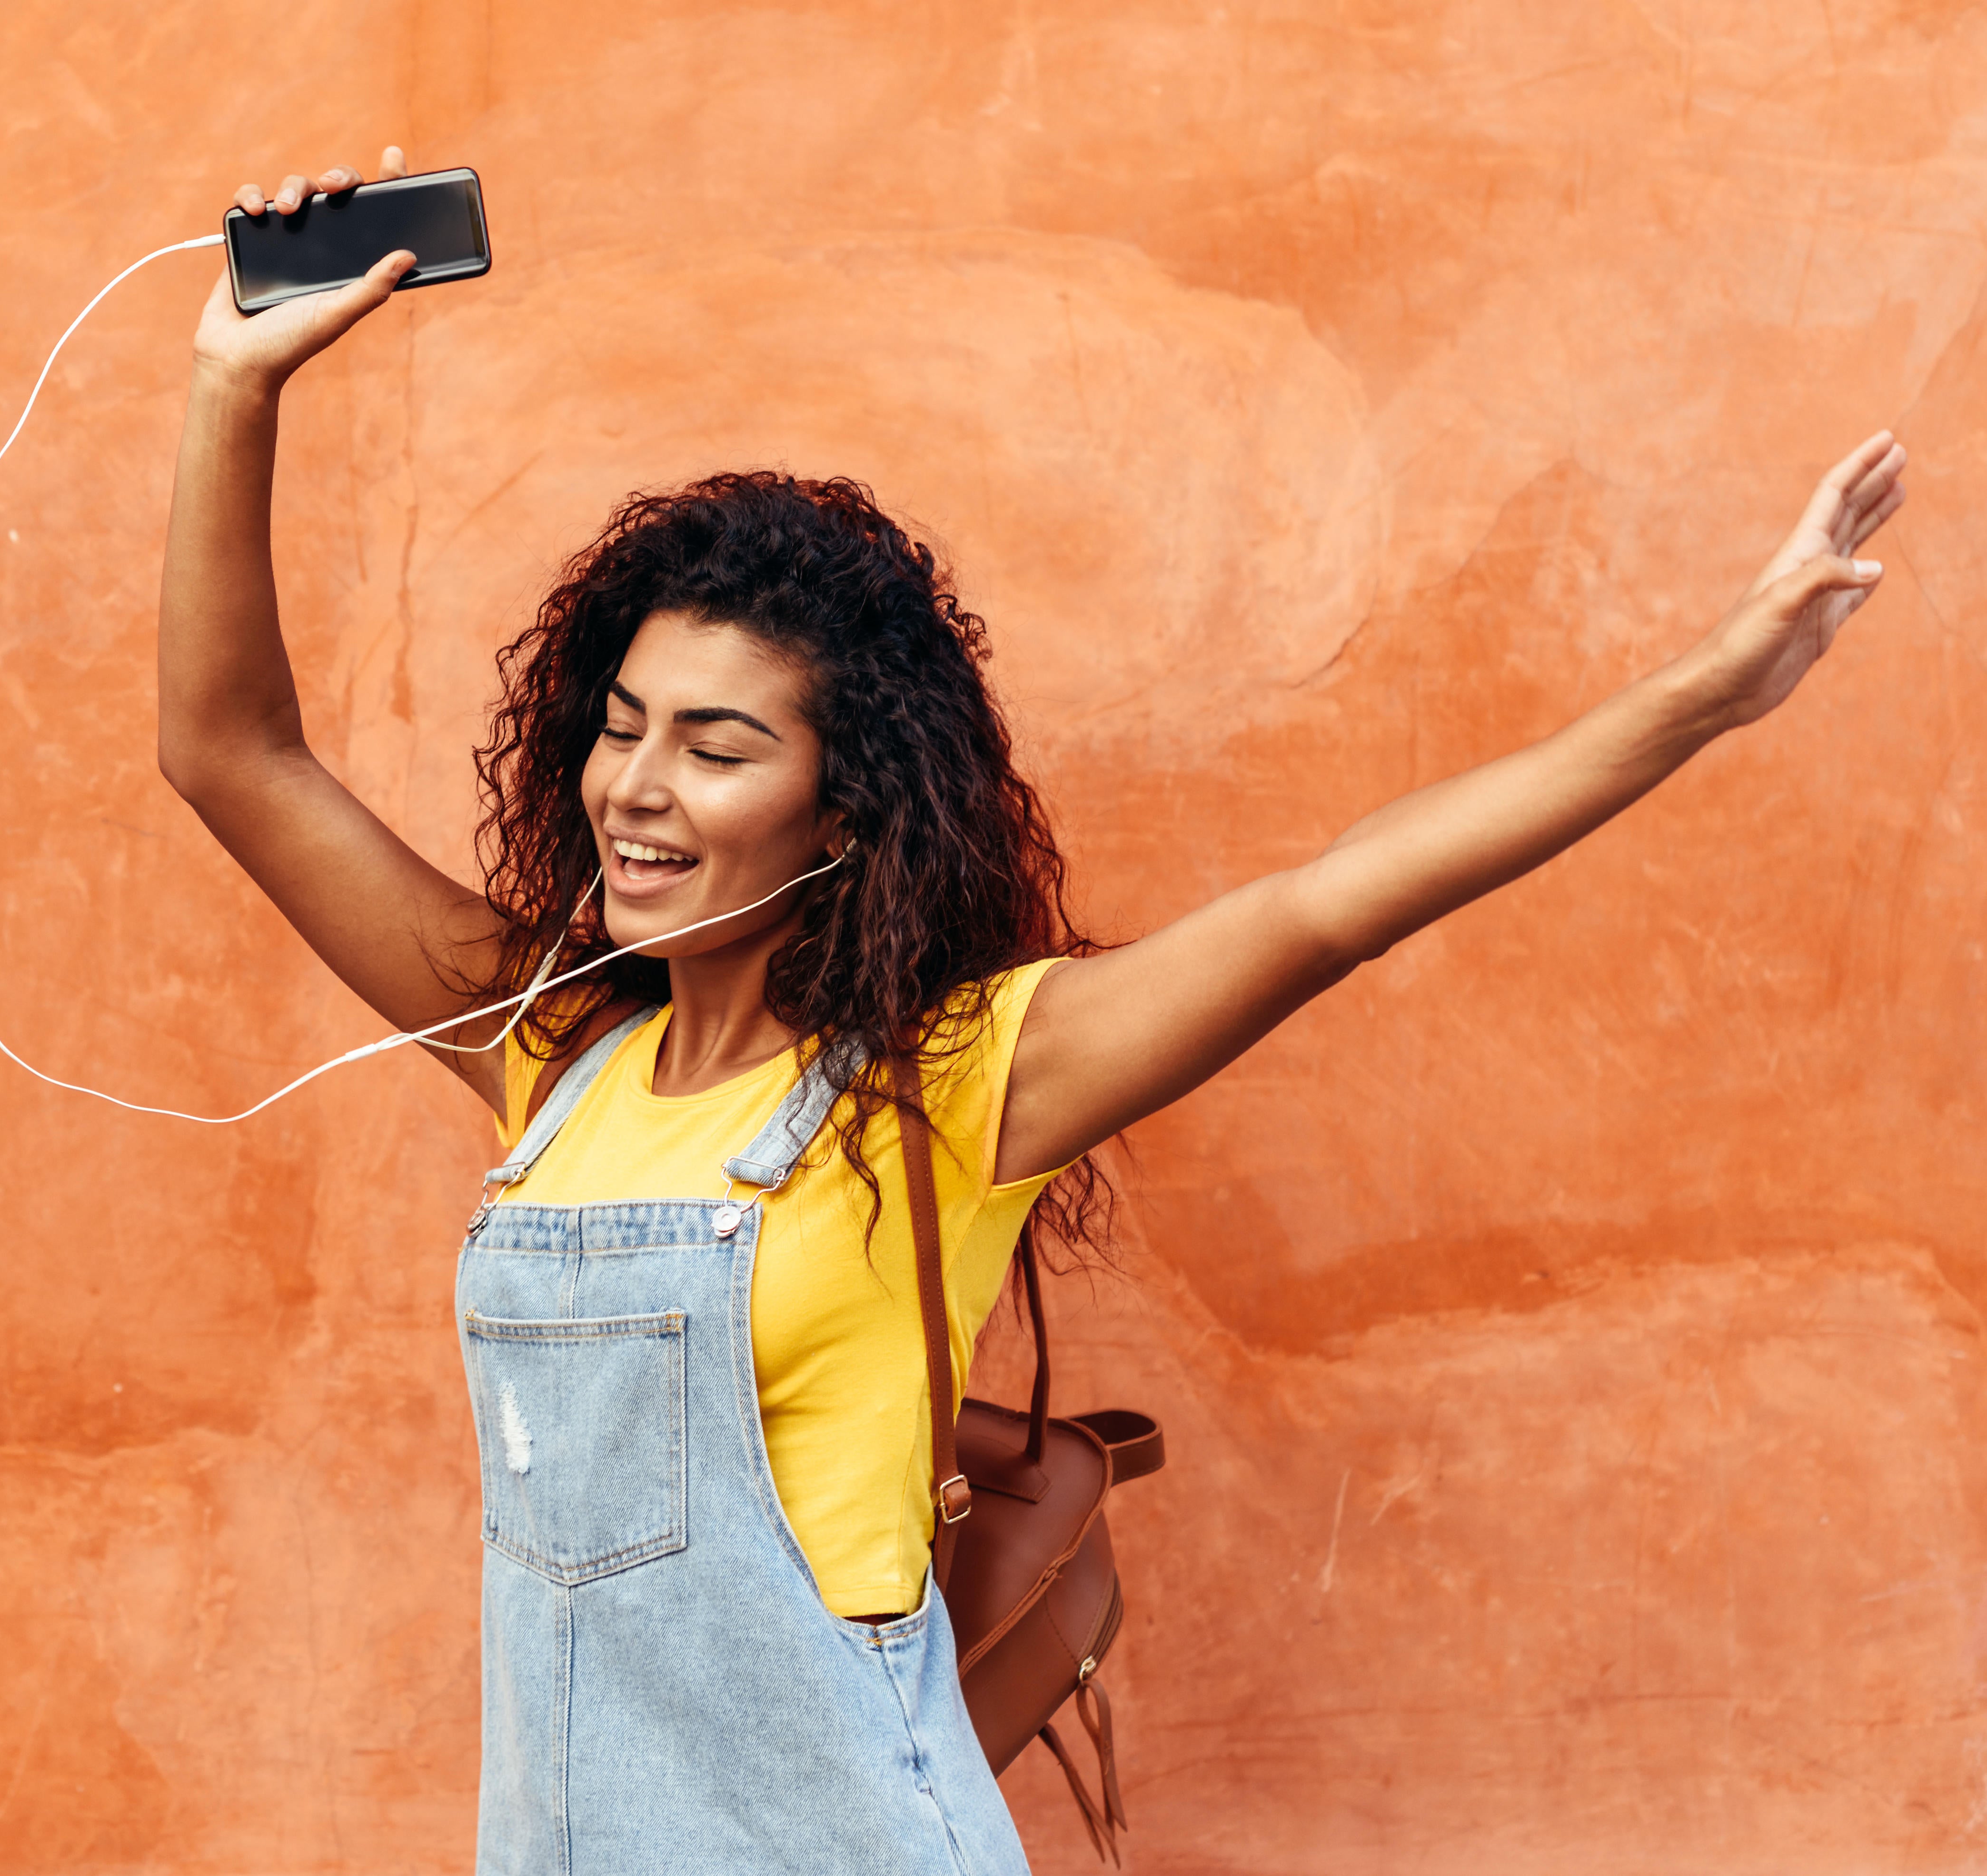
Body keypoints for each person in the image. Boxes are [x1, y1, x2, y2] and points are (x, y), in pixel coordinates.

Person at [156, 148, 1906, 1876]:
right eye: (623, 725)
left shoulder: (947, 1083)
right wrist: (239, 381)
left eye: (720, 745)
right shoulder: (551, 1051)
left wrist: (1706, 693)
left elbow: (1335, 900)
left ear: (843, 815)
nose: (639, 788)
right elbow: (228, 753)